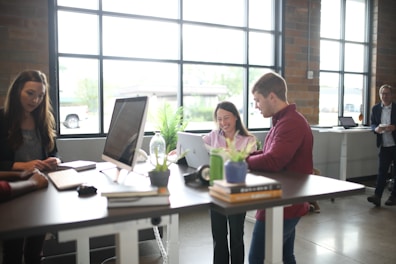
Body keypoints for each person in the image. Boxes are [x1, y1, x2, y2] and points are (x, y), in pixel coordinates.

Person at [246, 72, 313, 264]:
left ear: (272, 97)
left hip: (284, 204)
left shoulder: (290, 123)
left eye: (258, 100)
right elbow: (269, 153)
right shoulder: (282, 121)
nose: (256, 106)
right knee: (285, 256)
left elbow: (274, 160)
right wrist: (244, 157)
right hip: (283, 201)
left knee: (257, 258)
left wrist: (242, 163)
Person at [0, 70, 59, 264]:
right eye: (30, 93)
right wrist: (22, 165)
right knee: (13, 253)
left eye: (41, 95)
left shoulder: (44, 119)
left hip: (41, 190)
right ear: (17, 91)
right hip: (13, 192)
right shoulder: (3, 119)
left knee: (35, 253)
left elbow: (54, 153)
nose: (35, 101)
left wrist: (54, 161)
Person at [203, 101, 257, 264]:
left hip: (237, 193)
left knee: (236, 236)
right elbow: (196, 146)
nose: (223, 123)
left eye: (226, 118)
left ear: (235, 117)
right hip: (217, 191)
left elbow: (252, 165)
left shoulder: (249, 139)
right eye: (219, 119)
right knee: (218, 236)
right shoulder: (213, 135)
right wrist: (179, 148)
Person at [367, 84, 396, 206]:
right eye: (382, 94)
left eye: (387, 93)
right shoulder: (376, 109)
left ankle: (393, 197)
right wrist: (376, 129)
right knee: (382, 171)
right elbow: (372, 124)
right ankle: (377, 196)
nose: (384, 96)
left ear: (392, 95)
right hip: (384, 145)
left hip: (395, 144)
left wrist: (394, 127)